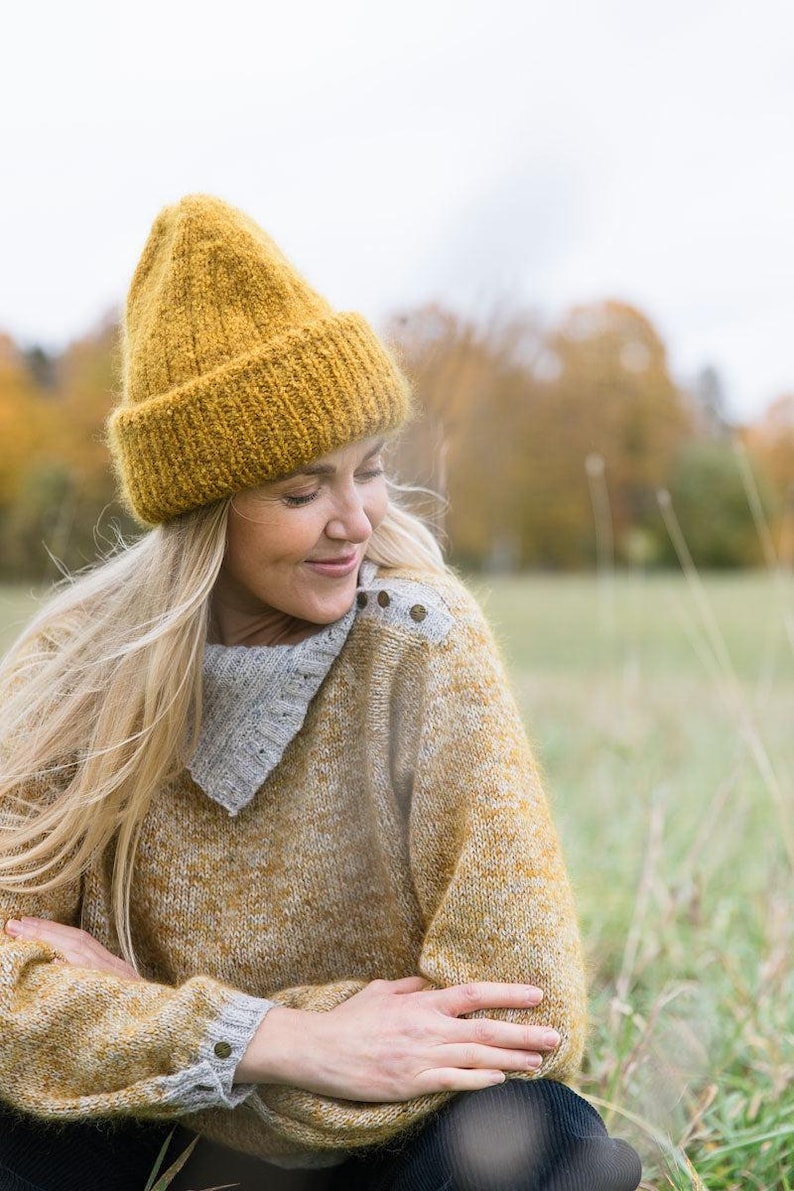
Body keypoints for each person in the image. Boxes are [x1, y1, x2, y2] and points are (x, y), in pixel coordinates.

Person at [0, 195, 641, 1191]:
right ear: (203, 514)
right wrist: (269, 1038)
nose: (352, 521)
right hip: (148, 1132)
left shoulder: (423, 647)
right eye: (301, 492)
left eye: (370, 473)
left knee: (549, 1149)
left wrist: (137, 1015)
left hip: (374, 1143)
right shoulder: (73, 671)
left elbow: (520, 1016)